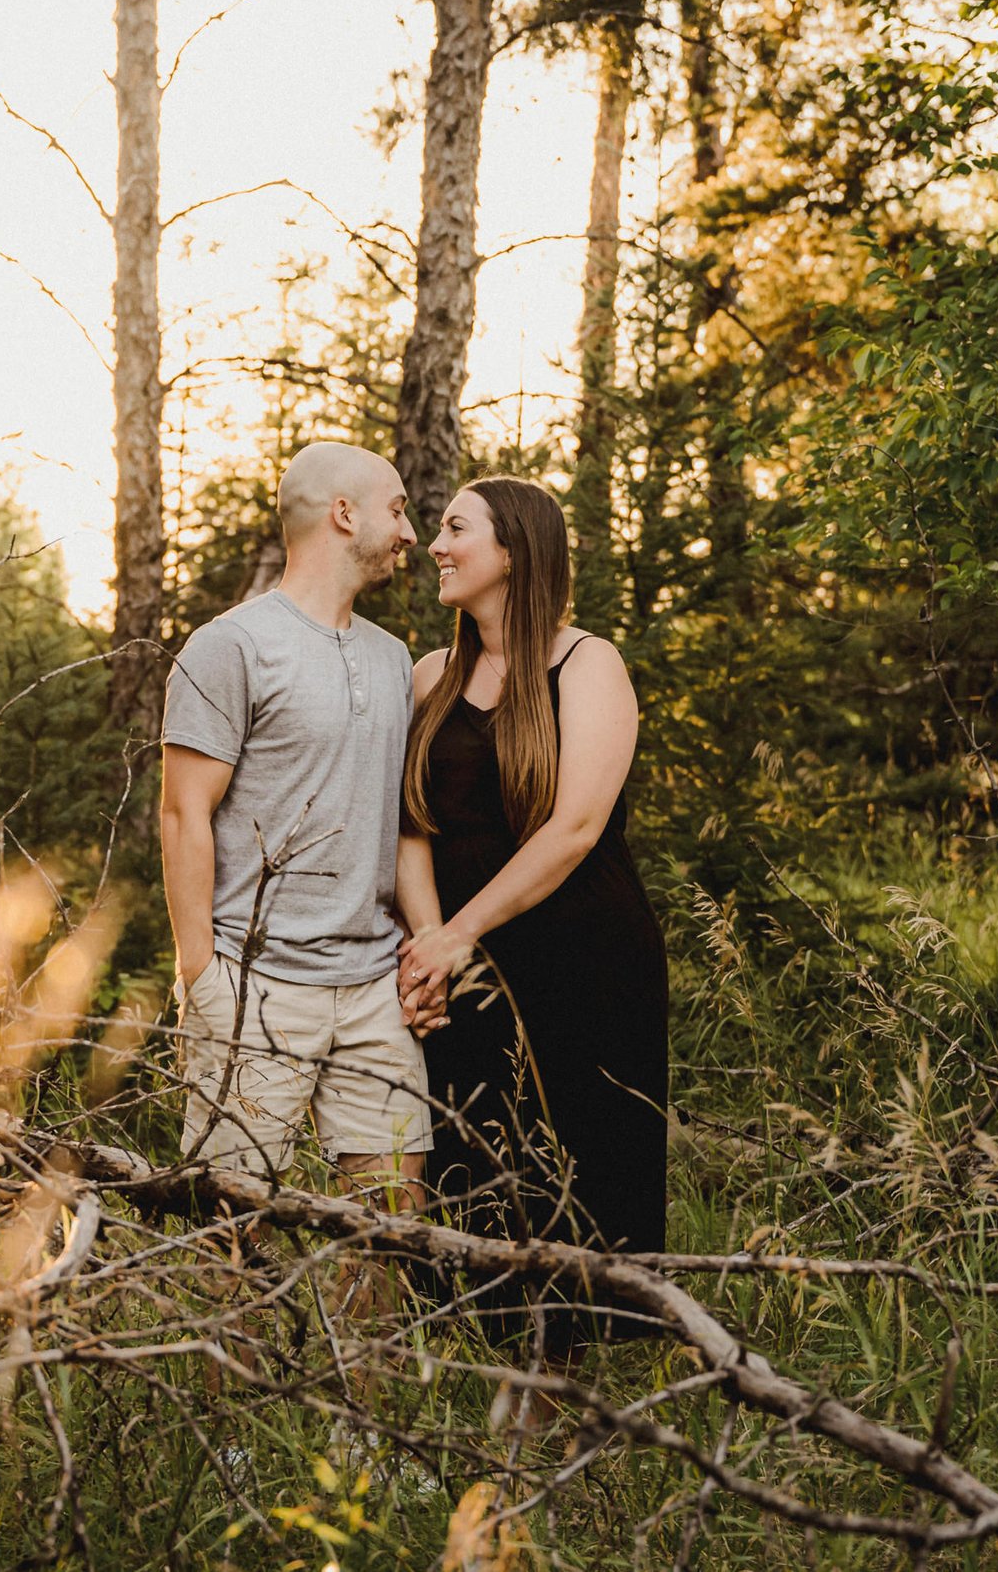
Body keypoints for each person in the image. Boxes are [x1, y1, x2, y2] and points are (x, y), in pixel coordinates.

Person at [394, 476, 669, 1359]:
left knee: (585, 1162)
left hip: (588, 960)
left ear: (512, 548)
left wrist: (454, 933)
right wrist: (430, 953)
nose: (435, 545)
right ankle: (479, 1375)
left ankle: (574, 1399)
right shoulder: (430, 675)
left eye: (454, 528)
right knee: (471, 1155)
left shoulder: (589, 663)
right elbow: (408, 826)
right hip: (462, 964)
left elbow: (578, 825)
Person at [159, 441, 430, 1198]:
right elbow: (183, 813)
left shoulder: (391, 658)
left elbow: (398, 821)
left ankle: (367, 1329)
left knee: (392, 1227)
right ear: (343, 514)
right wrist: (201, 974)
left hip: (375, 988)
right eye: (398, 510)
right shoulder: (229, 646)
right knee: (230, 1237)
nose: (410, 534)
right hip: (255, 985)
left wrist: (425, 942)